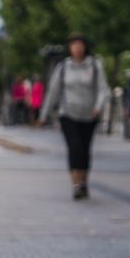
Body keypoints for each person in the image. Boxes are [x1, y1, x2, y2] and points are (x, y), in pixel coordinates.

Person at [42, 33, 108, 199]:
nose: (77, 48)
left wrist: (98, 106)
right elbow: (53, 92)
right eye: (73, 45)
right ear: (70, 48)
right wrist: (44, 114)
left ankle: (84, 181)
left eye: (80, 44)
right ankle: (76, 184)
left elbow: (102, 89)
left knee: (85, 149)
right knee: (74, 147)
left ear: (85, 47)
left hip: (89, 114)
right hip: (68, 113)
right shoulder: (63, 67)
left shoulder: (94, 65)